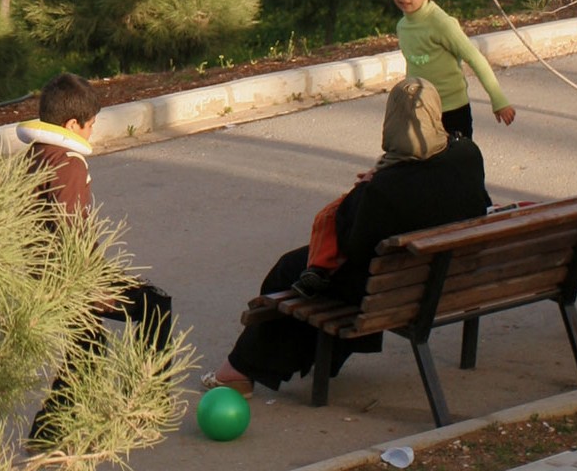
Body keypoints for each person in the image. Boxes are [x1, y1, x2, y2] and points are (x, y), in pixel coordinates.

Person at [202, 76, 489, 397]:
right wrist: (381, 180)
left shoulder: (383, 189)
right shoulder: (468, 156)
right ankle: (297, 361)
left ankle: (239, 370)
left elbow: (351, 244)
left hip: (387, 293)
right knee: (314, 273)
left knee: (292, 272)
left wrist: (368, 188)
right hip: (450, 279)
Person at [16, 72, 172, 445]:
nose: (91, 132)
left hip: (40, 272)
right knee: (154, 306)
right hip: (68, 277)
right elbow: (71, 234)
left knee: (87, 346)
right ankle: (147, 402)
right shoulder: (69, 164)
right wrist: (92, 288)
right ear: (72, 125)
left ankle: (49, 431)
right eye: (90, 125)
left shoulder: (37, 151)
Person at [391, 0, 516, 139]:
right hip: (422, 110)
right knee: (427, 165)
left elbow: (474, 58)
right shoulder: (402, 26)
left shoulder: (441, 23)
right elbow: (414, 66)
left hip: (453, 111)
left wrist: (498, 100)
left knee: (459, 165)